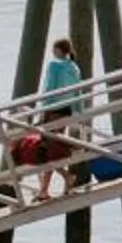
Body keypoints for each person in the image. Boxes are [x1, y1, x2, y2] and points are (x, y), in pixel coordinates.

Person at [33, 37, 89, 202]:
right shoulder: (74, 67)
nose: (52, 52)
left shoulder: (54, 65)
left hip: (53, 109)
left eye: (54, 49)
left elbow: (50, 88)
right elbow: (78, 92)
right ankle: (45, 189)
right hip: (67, 111)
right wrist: (80, 112)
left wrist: (42, 111)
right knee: (53, 148)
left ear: (59, 50)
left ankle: (59, 181)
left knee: (46, 148)